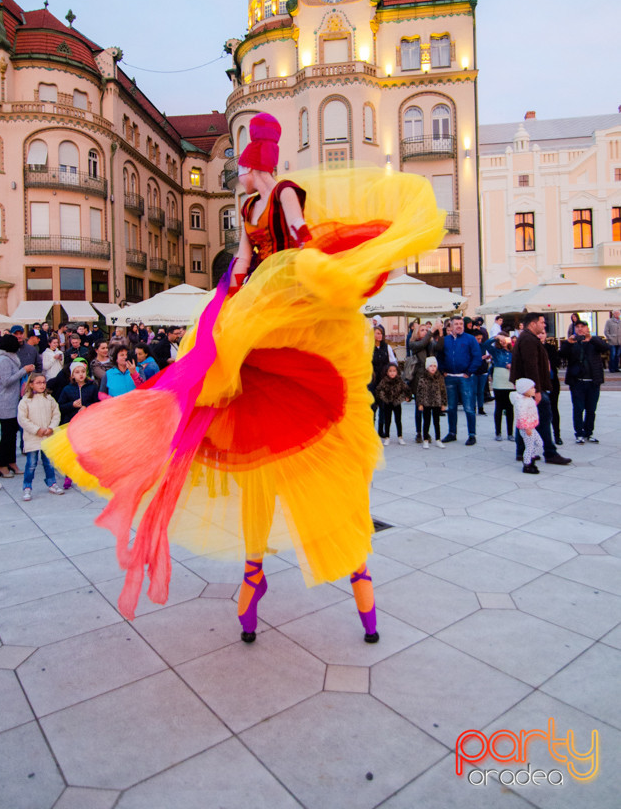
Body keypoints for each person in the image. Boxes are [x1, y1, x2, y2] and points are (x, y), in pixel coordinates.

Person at [44, 111, 443, 645]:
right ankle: (289, 584)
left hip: (287, 313)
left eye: (243, 161)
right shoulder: (249, 204)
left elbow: (298, 248)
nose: (240, 170)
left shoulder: (281, 195)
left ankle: (296, 585)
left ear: (255, 161)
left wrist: (274, 289)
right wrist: (225, 307)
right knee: (235, 402)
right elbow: (243, 261)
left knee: (301, 433)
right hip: (261, 312)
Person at [510, 312, 571, 465]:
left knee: (525, 419)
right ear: (533, 323)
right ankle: (549, 452)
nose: (545, 325)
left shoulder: (526, 338)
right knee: (543, 419)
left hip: (528, 387)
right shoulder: (528, 340)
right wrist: (536, 390)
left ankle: (522, 451)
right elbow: (531, 366)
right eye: (542, 322)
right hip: (532, 388)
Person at [0, 334, 35, 478]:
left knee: (12, 435)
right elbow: (6, 381)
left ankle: (11, 462)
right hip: (5, 402)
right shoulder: (4, 360)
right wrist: (24, 370)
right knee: (7, 435)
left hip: (11, 401)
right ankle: (2, 465)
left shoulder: (8, 358)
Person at [560, 320, 609, 443]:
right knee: (578, 408)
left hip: (593, 381)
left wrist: (591, 339)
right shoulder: (572, 342)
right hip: (577, 381)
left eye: (583, 326)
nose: (580, 329)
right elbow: (562, 355)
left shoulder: (594, 341)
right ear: (574, 329)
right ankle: (579, 433)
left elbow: (605, 348)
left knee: (591, 409)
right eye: (578, 327)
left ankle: (589, 432)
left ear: (588, 328)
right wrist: (568, 343)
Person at [437, 315, 482, 446]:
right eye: (456, 324)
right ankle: (452, 433)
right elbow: (439, 357)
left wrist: (469, 372)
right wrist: (443, 371)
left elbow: (477, 357)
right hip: (450, 377)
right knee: (451, 407)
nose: (459, 326)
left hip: (465, 378)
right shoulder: (445, 340)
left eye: (461, 324)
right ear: (450, 326)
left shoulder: (470, 339)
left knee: (468, 407)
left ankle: (472, 434)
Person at [17, 372, 62, 500]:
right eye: (38, 382)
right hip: (33, 438)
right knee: (31, 463)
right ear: (31, 385)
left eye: (43, 382)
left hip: (47, 436)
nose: (42, 385)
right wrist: (37, 430)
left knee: (49, 463)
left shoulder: (49, 399)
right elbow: (23, 419)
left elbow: (56, 414)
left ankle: (52, 483)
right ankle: (27, 487)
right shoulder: (25, 401)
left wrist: (51, 428)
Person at [407, 323, 435, 443]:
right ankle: (418, 432)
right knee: (419, 406)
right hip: (418, 378)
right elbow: (421, 344)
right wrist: (431, 332)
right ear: (417, 332)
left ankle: (426, 432)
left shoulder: (430, 342)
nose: (425, 331)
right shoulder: (413, 344)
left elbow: (439, 346)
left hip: (431, 378)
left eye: (426, 330)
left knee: (428, 407)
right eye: (422, 330)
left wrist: (441, 333)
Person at [510, 378, 544, 475]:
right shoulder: (521, 402)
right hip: (527, 428)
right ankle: (527, 463)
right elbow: (521, 415)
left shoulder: (528, 399)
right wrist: (527, 427)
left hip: (531, 426)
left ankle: (531, 457)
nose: (534, 389)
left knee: (539, 443)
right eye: (532, 388)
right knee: (529, 446)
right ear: (524, 390)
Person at [487, 332, 514, 441]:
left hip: (510, 381)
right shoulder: (496, 351)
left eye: (505, 339)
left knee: (510, 407)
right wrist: (495, 338)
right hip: (499, 380)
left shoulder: (513, 352)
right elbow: (486, 345)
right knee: (499, 407)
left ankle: (510, 433)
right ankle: (498, 432)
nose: (503, 342)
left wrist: (513, 365)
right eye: (501, 340)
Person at [416, 356, 447, 448]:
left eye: (434, 366)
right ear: (427, 367)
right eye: (431, 366)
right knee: (426, 421)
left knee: (436, 421)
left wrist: (443, 403)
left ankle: (438, 439)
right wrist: (420, 403)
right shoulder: (423, 378)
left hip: (437, 402)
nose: (433, 368)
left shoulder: (440, 378)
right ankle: (425, 439)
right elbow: (419, 391)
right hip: (426, 403)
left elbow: (443, 390)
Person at [372, 325, 397, 437]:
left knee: (383, 405)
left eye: (381, 333)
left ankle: (381, 429)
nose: (379, 335)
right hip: (372, 380)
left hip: (384, 381)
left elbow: (393, 362)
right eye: (377, 333)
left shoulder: (386, 347)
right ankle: (371, 428)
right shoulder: (367, 347)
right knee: (372, 406)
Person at [375, 363, 408, 446]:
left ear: (397, 372)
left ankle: (400, 437)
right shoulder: (384, 381)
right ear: (387, 372)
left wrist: (405, 397)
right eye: (390, 371)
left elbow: (406, 389)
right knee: (387, 420)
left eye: (394, 371)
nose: (392, 373)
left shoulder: (399, 380)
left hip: (397, 403)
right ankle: (387, 437)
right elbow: (378, 390)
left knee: (398, 420)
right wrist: (384, 398)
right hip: (387, 403)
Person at [540, 328, 562, 445]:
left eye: (543, 333)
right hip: (538, 383)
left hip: (552, 381)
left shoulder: (550, 348)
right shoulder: (531, 347)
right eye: (539, 333)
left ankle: (557, 435)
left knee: (553, 408)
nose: (541, 336)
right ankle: (541, 436)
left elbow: (557, 363)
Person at [472, 329, 491, 415]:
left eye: (480, 339)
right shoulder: (470, 346)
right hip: (474, 371)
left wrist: (487, 357)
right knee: (474, 391)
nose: (479, 341)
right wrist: (480, 358)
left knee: (481, 391)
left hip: (483, 370)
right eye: (478, 338)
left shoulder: (483, 346)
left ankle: (480, 407)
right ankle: (473, 407)